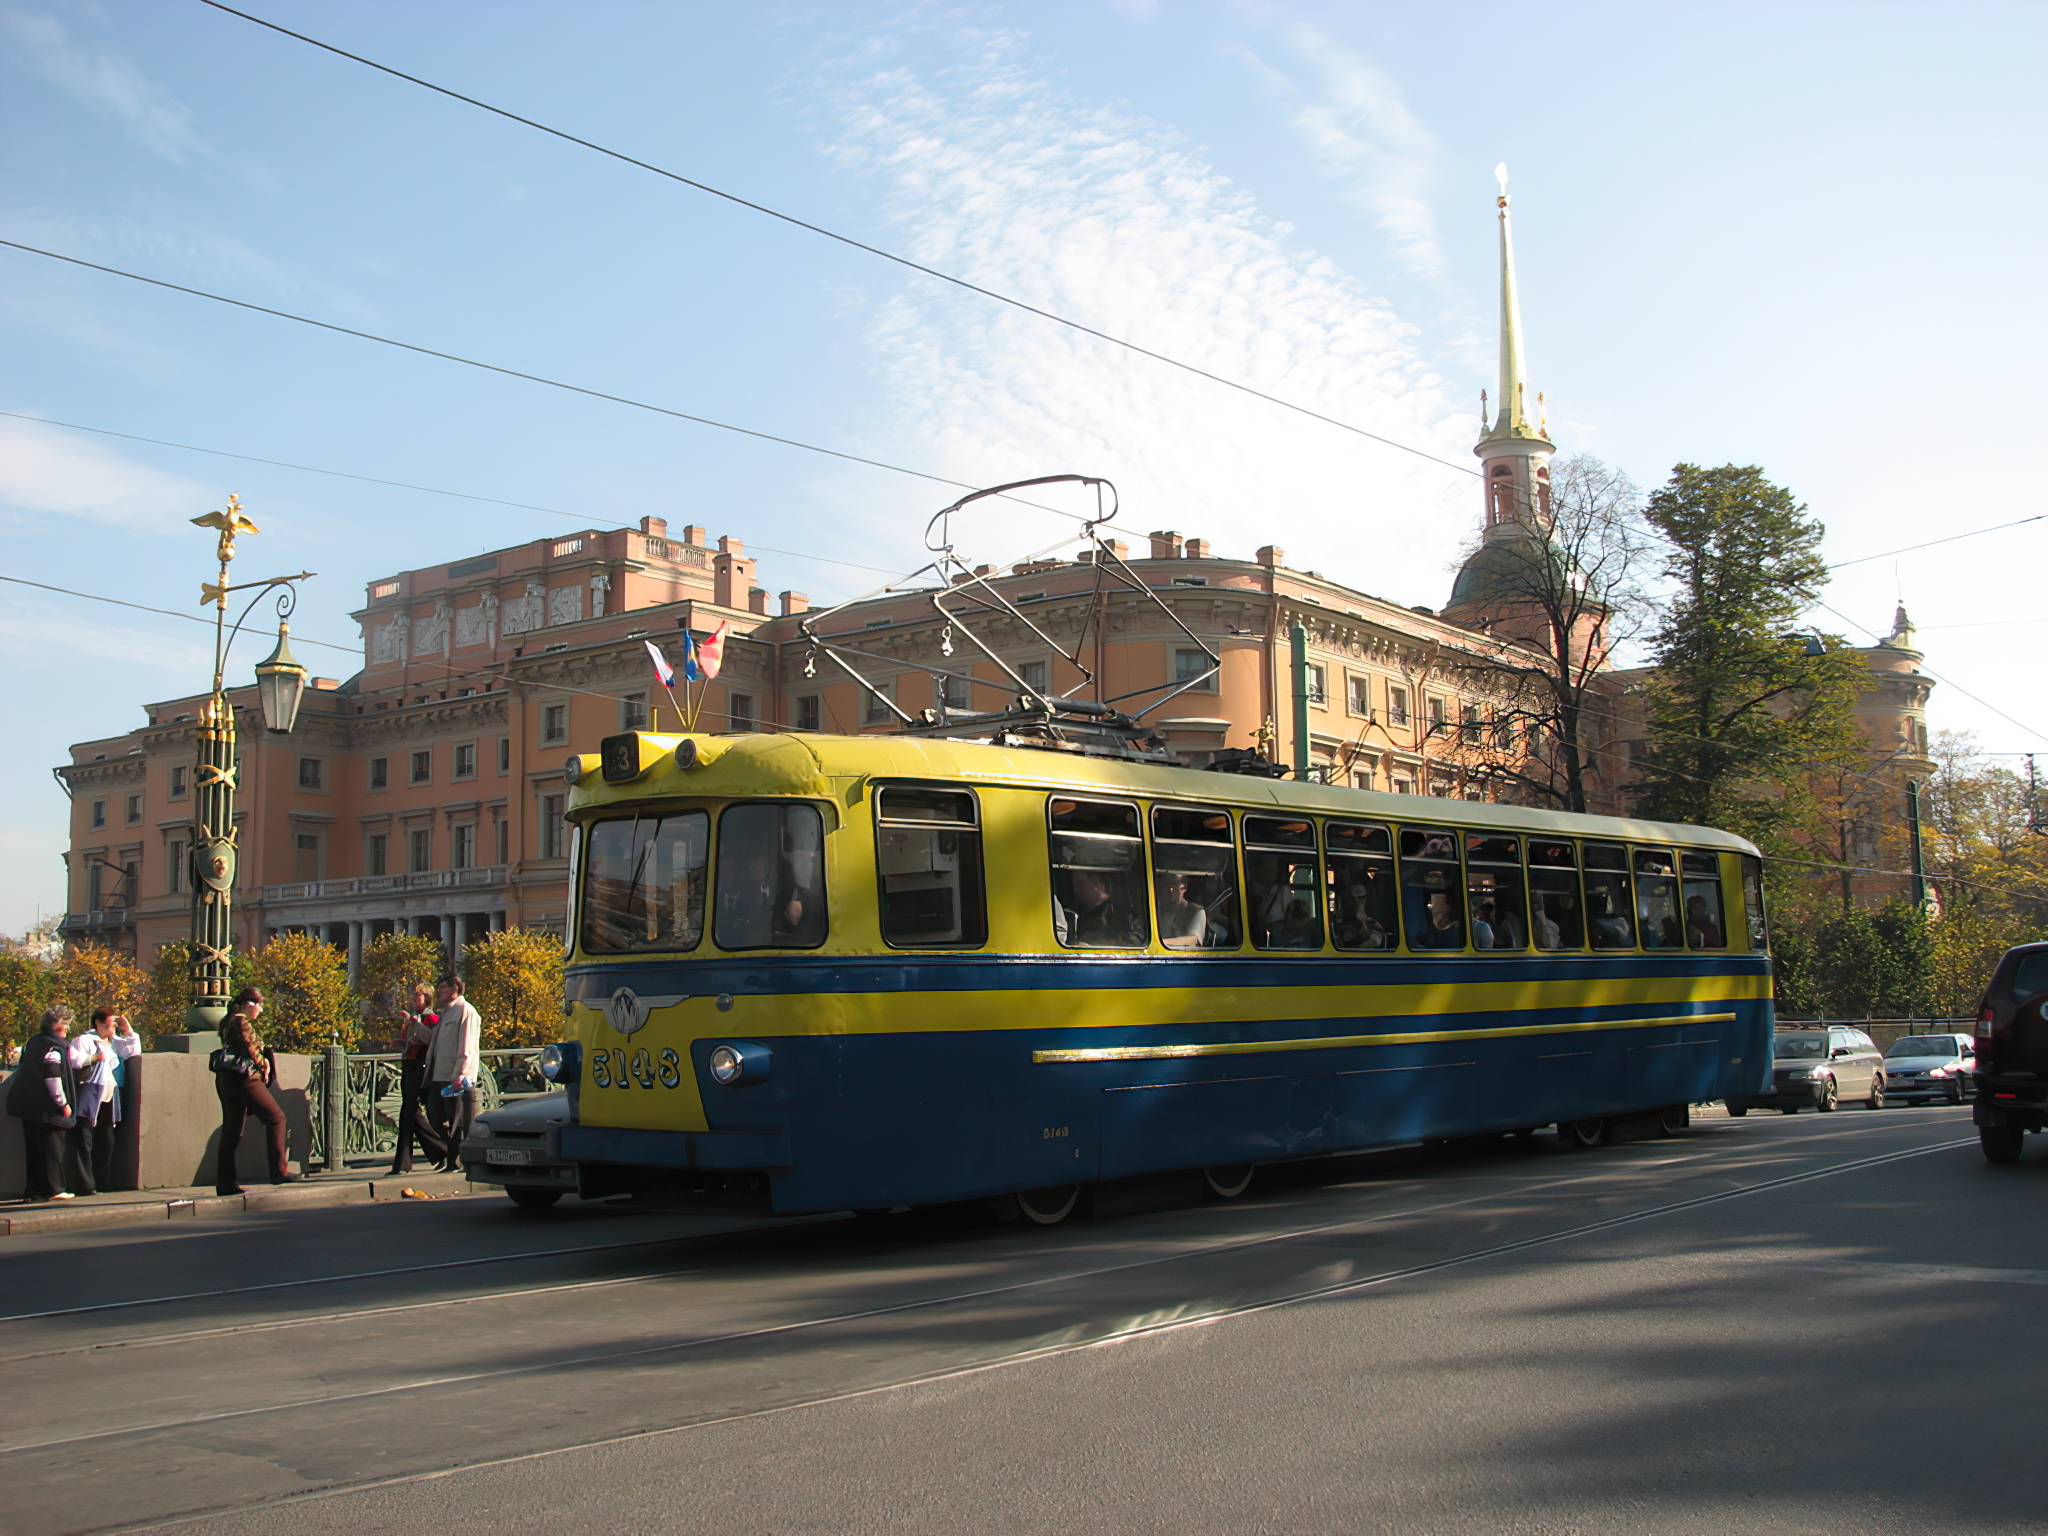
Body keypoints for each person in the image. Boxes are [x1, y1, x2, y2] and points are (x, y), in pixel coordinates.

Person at [210, 996, 296, 1195]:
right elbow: (251, 1048)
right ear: (245, 1004)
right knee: (277, 1118)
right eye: (257, 1004)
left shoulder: (226, 1021)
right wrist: (263, 1066)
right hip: (245, 1077)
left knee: (232, 1131)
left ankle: (226, 1183)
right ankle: (278, 1173)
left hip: (227, 1078)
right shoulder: (240, 1021)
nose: (260, 1009)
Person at [7, 1006, 82, 1201]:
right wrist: (62, 1104)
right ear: (56, 1025)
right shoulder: (54, 1046)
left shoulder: (35, 1042)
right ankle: (53, 1189)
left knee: (34, 1152)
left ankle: (33, 1191)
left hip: (28, 1107)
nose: (67, 1029)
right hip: (49, 1111)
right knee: (52, 1151)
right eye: (65, 1025)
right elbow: (53, 1077)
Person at [70, 1009, 140, 1194]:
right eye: (111, 1023)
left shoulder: (114, 1043)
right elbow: (74, 1061)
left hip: (110, 1096)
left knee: (106, 1140)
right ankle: (85, 1184)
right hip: (89, 1094)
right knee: (84, 1142)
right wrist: (94, 1058)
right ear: (98, 1023)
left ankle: (102, 1182)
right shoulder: (83, 1040)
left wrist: (127, 1030)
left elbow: (133, 1051)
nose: (114, 1026)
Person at [388, 983, 449, 1175]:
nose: (414, 998)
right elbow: (413, 1042)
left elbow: (430, 1040)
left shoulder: (430, 1018)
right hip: (410, 1066)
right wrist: (401, 1042)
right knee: (410, 1114)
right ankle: (440, 1153)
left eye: (418, 995)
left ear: (427, 997)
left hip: (420, 1068)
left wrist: (413, 1022)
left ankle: (439, 1153)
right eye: (413, 994)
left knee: (409, 1113)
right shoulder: (417, 1018)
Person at [424, 975, 482, 1172]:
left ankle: (455, 1161)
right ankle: (449, 1155)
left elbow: (467, 1047)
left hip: (455, 1077)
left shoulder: (466, 1011)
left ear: (454, 989)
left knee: (456, 1119)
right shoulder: (447, 1012)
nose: (439, 992)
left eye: (443, 987)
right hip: (439, 1075)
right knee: (434, 1114)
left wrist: (461, 1074)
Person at [1057, 869, 1138, 946]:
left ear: (1096, 882)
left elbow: (1136, 939)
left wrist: (1093, 944)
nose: (1076, 890)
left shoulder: (1120, 911)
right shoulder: (1082, 915)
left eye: (1078, 884)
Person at [1155, 872, 1208, 949]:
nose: (1170, 889)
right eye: (1165, 885)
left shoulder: (1195, 912)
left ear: (1184, 886)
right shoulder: (1156, 911)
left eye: (1174, 884)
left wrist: (1160, 943)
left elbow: (1192, 940)